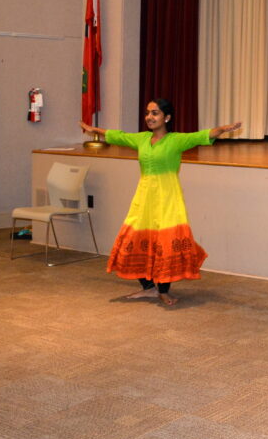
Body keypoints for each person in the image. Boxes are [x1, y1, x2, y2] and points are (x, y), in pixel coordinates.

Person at [80, 99, 241, 306]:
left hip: (168, 198)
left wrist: (224, 129)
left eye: (155, 113)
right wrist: (94, 130)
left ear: (167, 117)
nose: (149, 117)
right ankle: (148, 288)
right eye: (148, 113)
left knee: (166, 242)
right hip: (144, 198)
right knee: (136, 238)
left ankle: (164, 291)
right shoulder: (141, 139)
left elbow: (202, 135)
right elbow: (118, 136)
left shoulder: (176, 140)